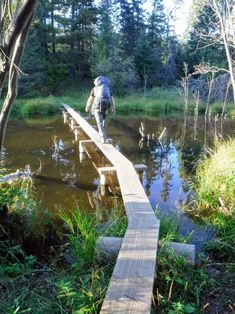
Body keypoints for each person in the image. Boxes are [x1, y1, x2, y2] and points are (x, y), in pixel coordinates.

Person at [85, 76, 116, 144]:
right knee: (104, 122)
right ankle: (103, 134)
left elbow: (90, 99)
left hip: (97, 108)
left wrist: (87, 107)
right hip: (107, 107)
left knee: (99, 123)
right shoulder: (108, 89)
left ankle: (103, 138)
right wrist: (114, 108)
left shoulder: (95, 89)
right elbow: (113, 99)